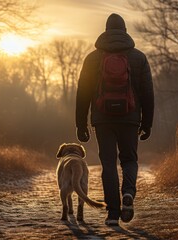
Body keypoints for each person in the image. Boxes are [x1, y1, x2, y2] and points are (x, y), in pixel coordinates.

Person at [75, 13, 154, 226]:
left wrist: (81, 124)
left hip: (102, 119)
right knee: (129, 159)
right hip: (130, 118)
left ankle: (112, 213)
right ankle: (128, 193)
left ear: (106, 30)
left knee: (108, 164)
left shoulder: (92, 58)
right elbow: (147, 92)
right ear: (125, 31)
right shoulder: (138, 57)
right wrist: (147, 123)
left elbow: (83, 92)